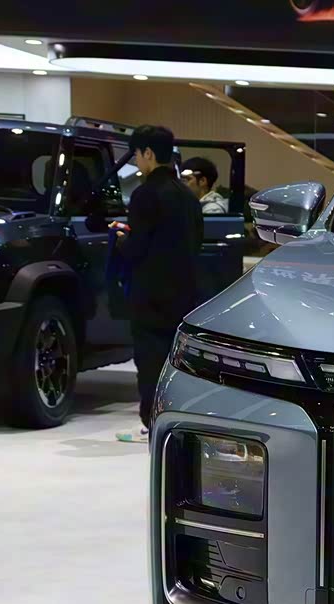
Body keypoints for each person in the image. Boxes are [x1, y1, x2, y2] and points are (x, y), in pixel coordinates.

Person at [112, 125, 202, 442]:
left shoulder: (145, 195)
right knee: (176, 365)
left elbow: (138, 249)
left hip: (150, 296)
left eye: (137, 154)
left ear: (148, 153)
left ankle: (151, 424)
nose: (137, 161)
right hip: (184, 295)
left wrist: (122, 240)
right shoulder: (188, 197)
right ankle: (176, 425)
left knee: (150, 363)